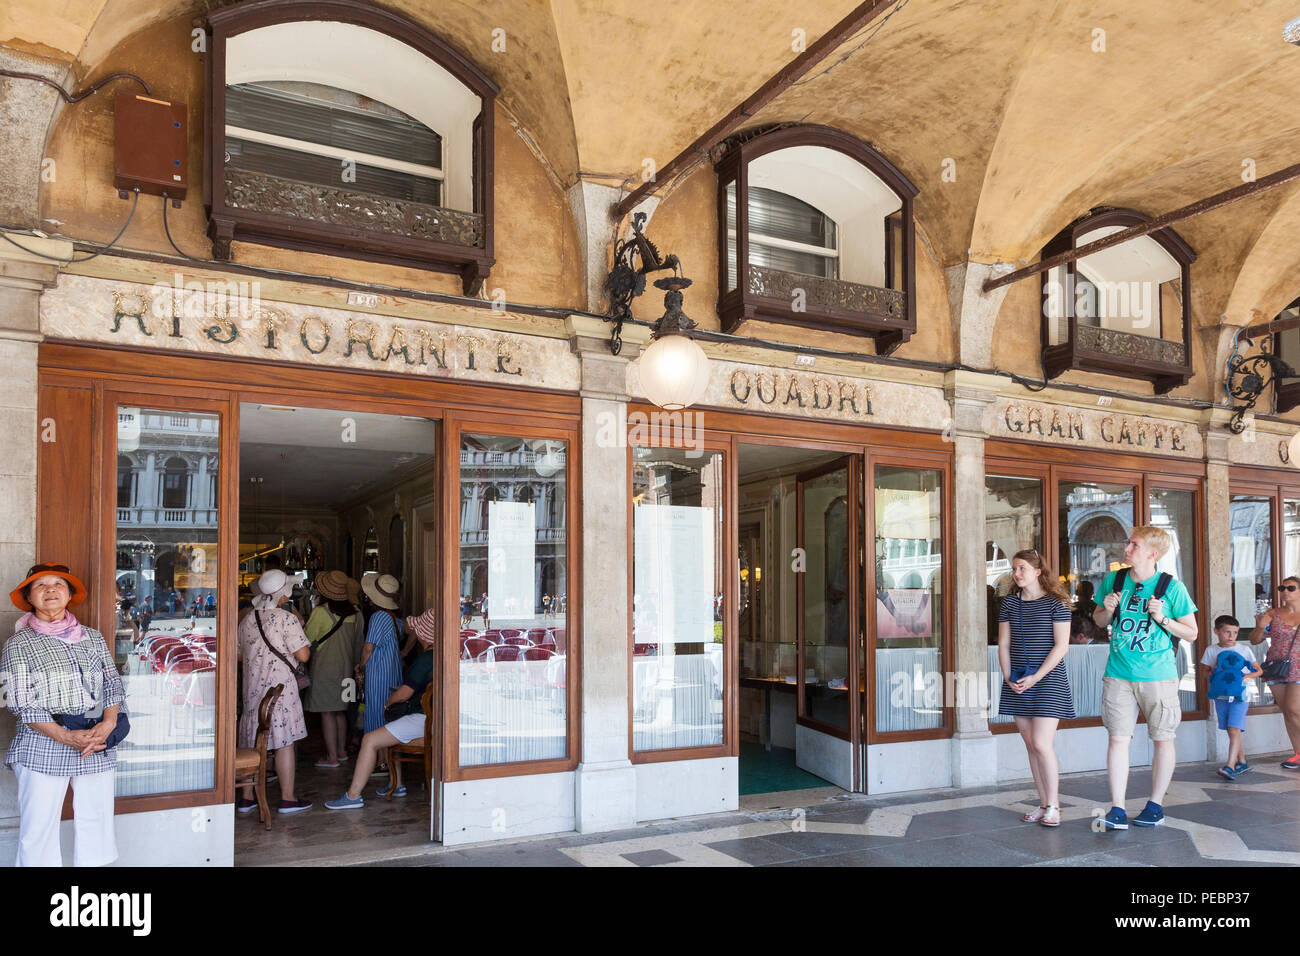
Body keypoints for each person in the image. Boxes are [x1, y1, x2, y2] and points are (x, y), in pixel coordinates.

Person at [1, 563, 125, 866]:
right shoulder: (19, 644)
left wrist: (108, 724)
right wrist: (65, 735)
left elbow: (112, 683)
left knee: (98, 823)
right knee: (38, 829)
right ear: (29, 597)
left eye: (58, 584)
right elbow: (19, 701)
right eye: (40, 586)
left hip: (95, 739)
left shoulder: (93, 637)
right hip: (43, 743)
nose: (50, 590)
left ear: (69, 595)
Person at [1092, 526, 1198, 830]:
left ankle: (1155, 805)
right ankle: (1117, 808)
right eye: (1128, 544)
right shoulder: (1115, 580)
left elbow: (1192, 633)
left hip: (1158, 676)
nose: (1127, 549)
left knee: (1163, 739)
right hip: (1118, 673)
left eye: (1133, 545)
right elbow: (1099, 620)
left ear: (1152, 553)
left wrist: (1162, 617)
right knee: (1117, 738)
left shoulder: (1171, 588)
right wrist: (1108, 611)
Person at [326, 608, 436, 809]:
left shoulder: (425, 659)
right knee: (390, 726)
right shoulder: (445, 655)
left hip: (422, 719)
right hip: (436, 719)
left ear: (425, 634)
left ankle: (353, 796)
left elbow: (403, 694)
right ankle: (398, 784)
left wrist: (388, 702)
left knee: (370, 739)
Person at [997, 550, 1074, 827]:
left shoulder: (1057, 603)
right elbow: (1004, 643)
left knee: (1042, 743)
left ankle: (1054, 805)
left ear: (1038, 571)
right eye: (1014, 569)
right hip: (1017, 679)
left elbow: (1061, 646)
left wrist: (1037, 677)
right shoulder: (1009, 603)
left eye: (1022, 568)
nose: (1016, 574)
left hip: (1047, 679)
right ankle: (1043, 804)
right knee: (1030, 745)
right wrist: (1008, 676)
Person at [237, 569, 312, 814]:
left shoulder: (248, 618)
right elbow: (303, 654)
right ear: (284, 594)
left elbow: (238, 654)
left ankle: (247, 798)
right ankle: (287, 798)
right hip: (280, 690)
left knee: (252, 741)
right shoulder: (286, 618)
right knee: (284, 742)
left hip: (253, 688)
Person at [303, 570, 363, 768]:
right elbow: (358, 644)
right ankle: (342, 751)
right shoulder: (355, 613)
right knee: (341, 712)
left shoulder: (320, 613)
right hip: (347, 671)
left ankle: (332, 756)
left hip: (325, 670)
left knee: (327, 712)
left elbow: (306, 640)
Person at [1199, 615, 1262, 779]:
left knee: (1234, 728)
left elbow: (1258, 670)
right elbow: (1204, 671)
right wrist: (1215, 675)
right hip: (1220, 696)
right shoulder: (1211, 650)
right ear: (1216, 631)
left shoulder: (1244, 650)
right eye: (1227, 632)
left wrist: (1246, 677)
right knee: (1231, 729)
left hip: (1240, 696)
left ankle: (1230, 766)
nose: (1231, 636)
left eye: (1235, 633)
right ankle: (1242, 762)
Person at [1253, 575, 1300, 771]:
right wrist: (1261, 627)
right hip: (1277, 667)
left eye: (1290, 588)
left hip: (1298, 667)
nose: (1285, 592)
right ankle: (1297, 753)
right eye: (1282, 588)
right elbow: (1255, 639)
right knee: (1288, 713)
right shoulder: (1273, 613)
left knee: (1294, 709)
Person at [357, 573, 404, 751]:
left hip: (379, 674)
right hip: (393, 672)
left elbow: (368, 648)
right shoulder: (395, 618)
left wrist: (361, 667)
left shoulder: (378, 617)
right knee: (390, 714)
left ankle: (380, 760)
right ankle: (387, 758)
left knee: (377, 713)